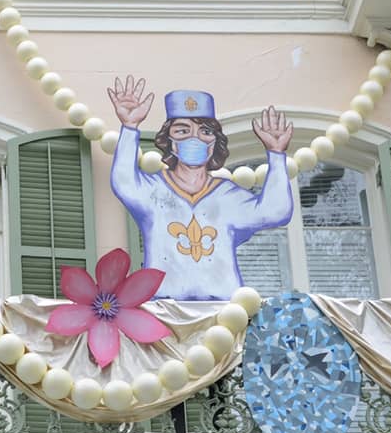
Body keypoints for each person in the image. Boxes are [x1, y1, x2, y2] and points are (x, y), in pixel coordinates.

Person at [107, 75, 296, 300]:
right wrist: (129, 127)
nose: (194, 139)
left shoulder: (227, 195)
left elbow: (275, 211)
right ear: (169, 140)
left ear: (215, 142)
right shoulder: (154, 190)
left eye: (205, 132)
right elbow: (124, 181)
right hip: (165, 310)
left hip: (224, 314)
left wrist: (276, 154)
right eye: (182, 131)